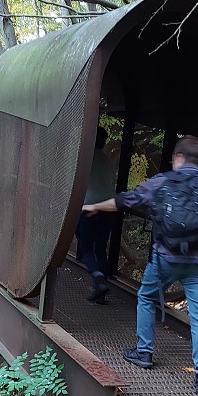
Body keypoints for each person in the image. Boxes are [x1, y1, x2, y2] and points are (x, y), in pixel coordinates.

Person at [82, 135, 198, 396]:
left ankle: (144, 352)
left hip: (165, 259)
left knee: (146, 297)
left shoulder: (162, 182)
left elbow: (127, 200)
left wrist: (95, 207)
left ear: (179, 157)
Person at [76, 126, 117, 303]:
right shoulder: (106, 160)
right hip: (109, 208)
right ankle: (101, 291)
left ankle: (99, 280)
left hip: (89, 207)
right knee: (100, 248)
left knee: (85, 248)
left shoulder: (84, 157)